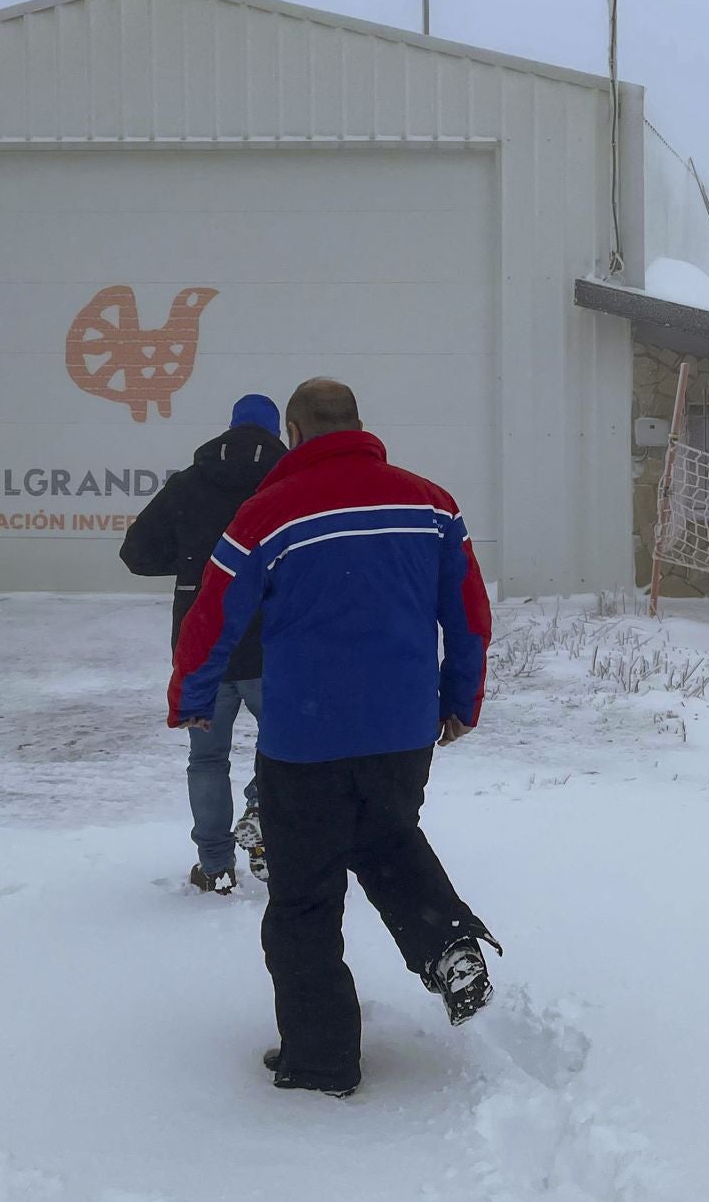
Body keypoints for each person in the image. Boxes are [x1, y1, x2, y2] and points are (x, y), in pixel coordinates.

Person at [170, 378, 497, 1098]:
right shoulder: (431, 503)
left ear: (293, 431)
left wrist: (193, 698)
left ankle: (320, 1059)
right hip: (402, 730)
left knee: (304, 895)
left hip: (304, 737)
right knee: (383, 836)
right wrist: (461, 699)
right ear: (357, 423)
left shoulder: (266, 515)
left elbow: (211, 614)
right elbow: (470, 612)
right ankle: (446, 943)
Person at [122, 393, 286, 895]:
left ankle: (215, 867)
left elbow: (137, 553)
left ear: (230, 427)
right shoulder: (288, 483)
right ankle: (262, 807)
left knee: (207, 760)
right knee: (286, 748)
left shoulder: (188, 484)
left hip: (203, 643)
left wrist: (198, 562)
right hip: (272, 644)